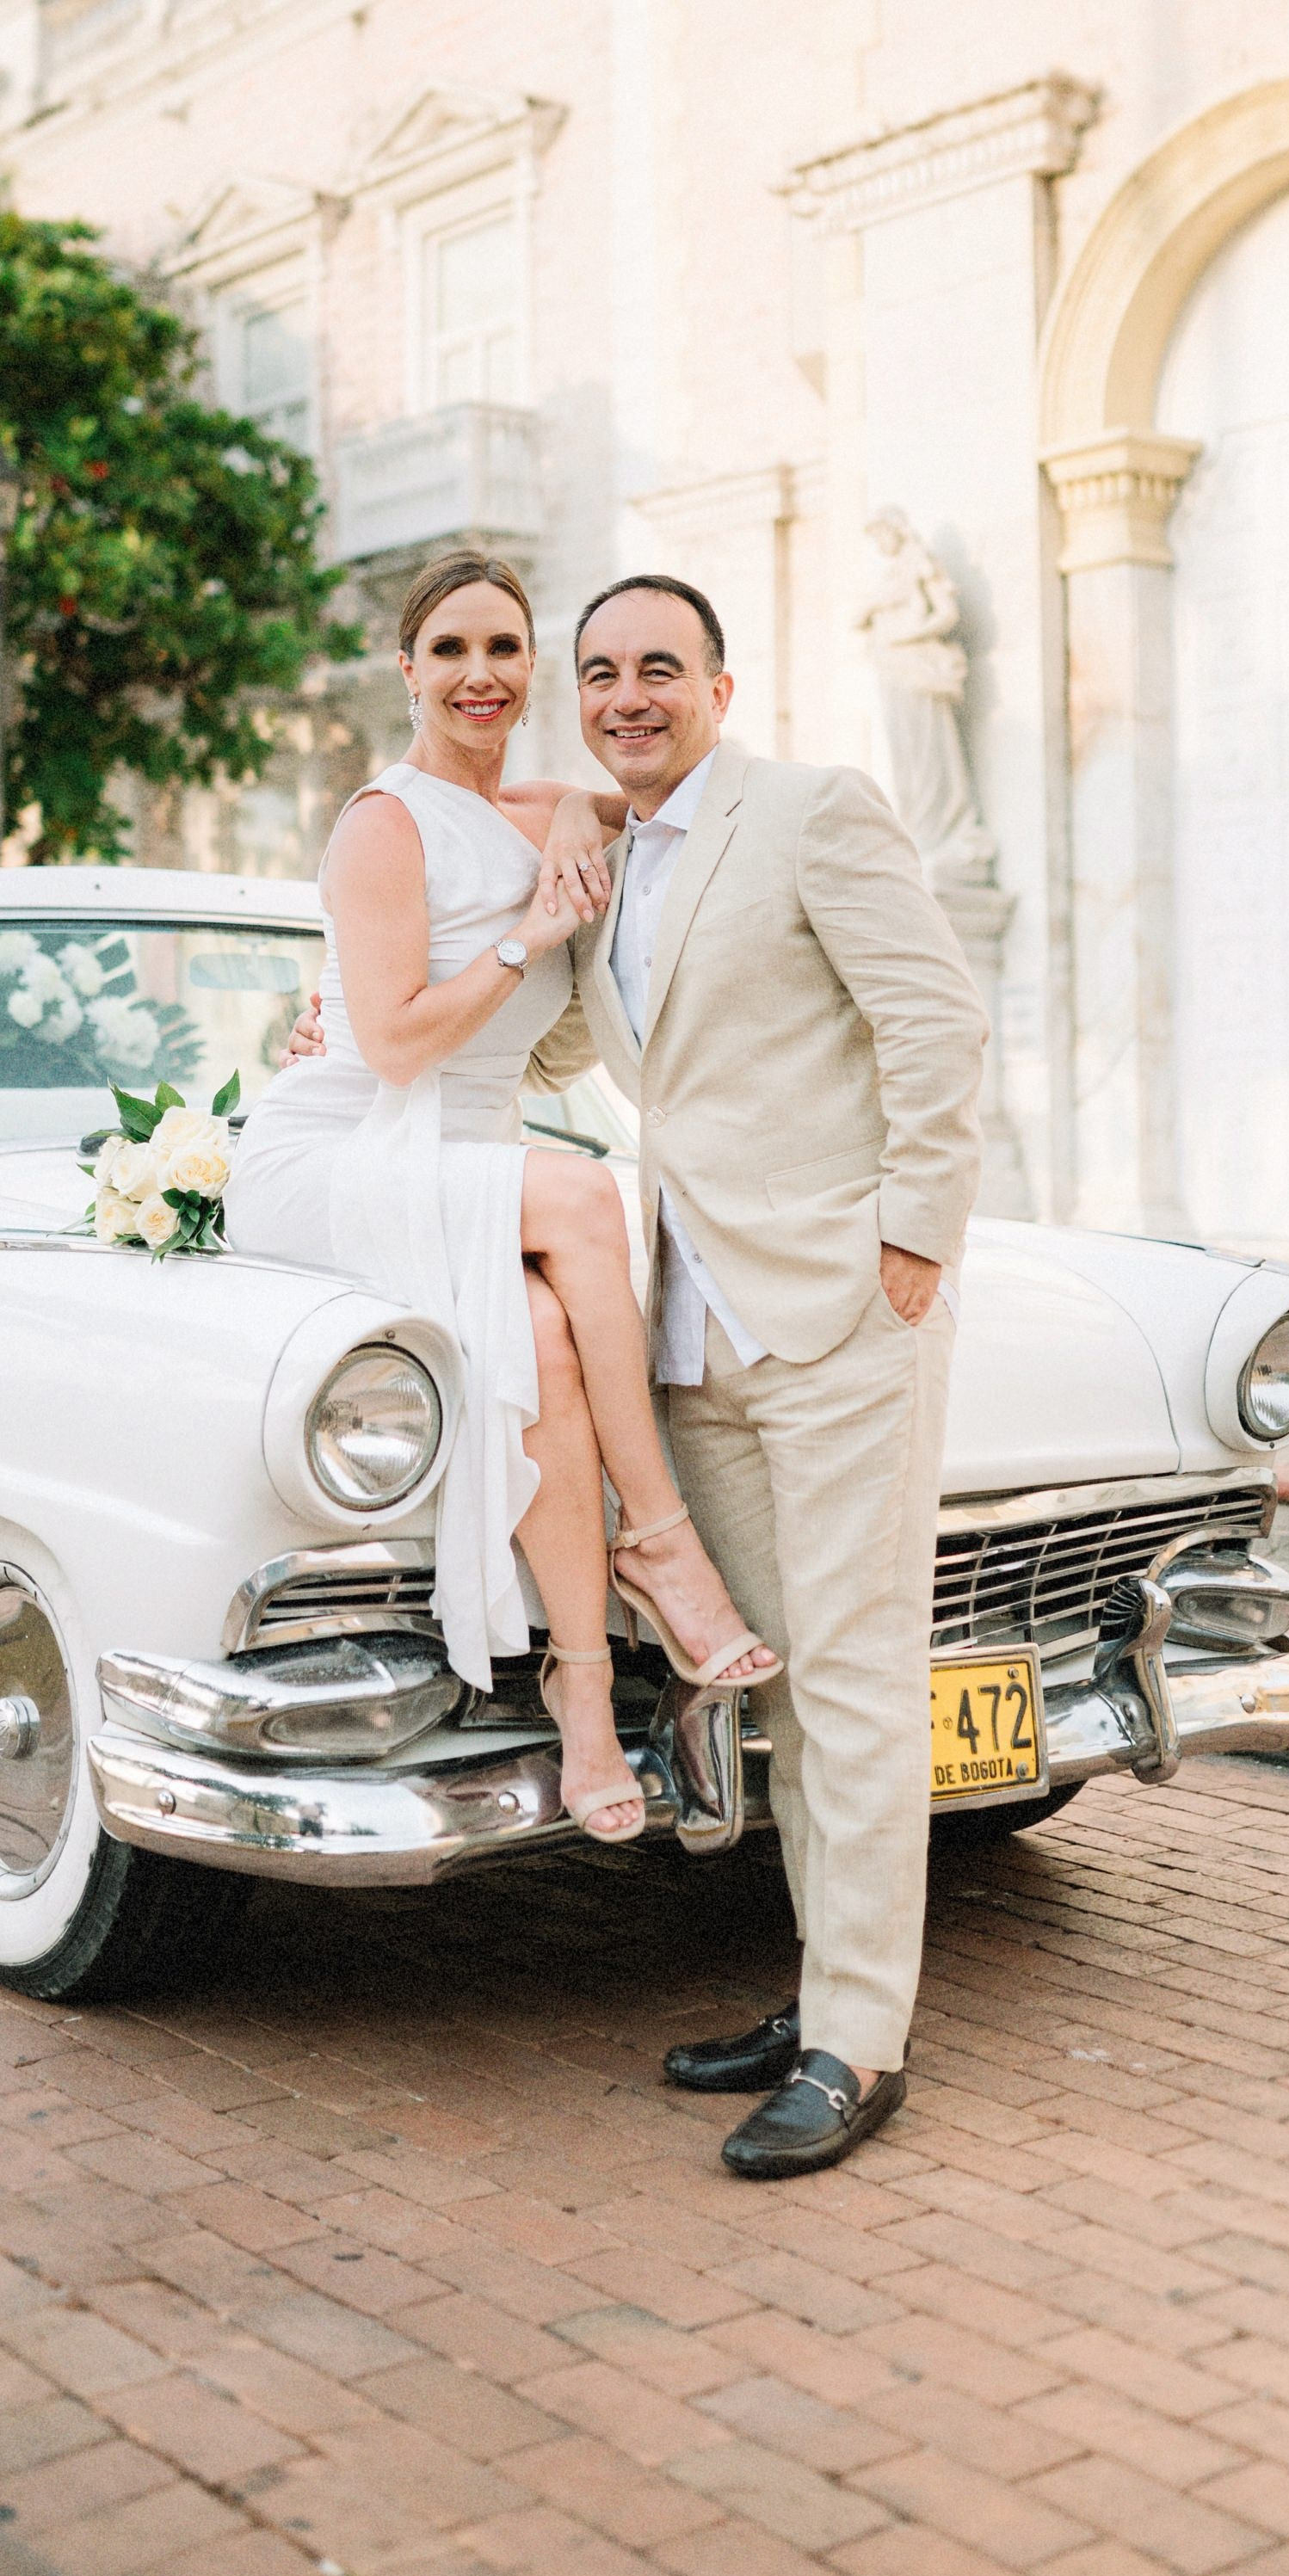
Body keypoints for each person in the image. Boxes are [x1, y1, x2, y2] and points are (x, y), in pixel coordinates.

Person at [289, 571, 988, 2178]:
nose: (624, 696)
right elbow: (549, 1051)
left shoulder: (812, 812)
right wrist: (353, 1043)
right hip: (685, 1328)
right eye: (598, 673)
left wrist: (912, 1242)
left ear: (719, 688)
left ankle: (857, 2044)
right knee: (774, 1687)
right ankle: (822, 1991)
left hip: (837, 1313)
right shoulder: (599, 864)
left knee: (862, 1683)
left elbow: (935, 1024)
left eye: (656, 669)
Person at [230, 553, 777, 1848]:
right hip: (342, 1148)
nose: (481, 676)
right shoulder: (381, 823)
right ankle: (661, 1542)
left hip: (462, 1157)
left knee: (540, 1344)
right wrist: (530, 932)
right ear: (406, 670)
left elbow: (595, 810)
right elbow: (401, 1042)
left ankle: (584, 1705)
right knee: (590, 1195)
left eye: (506, 650)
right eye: (452, 650)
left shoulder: (542, 810)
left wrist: (583, 833)